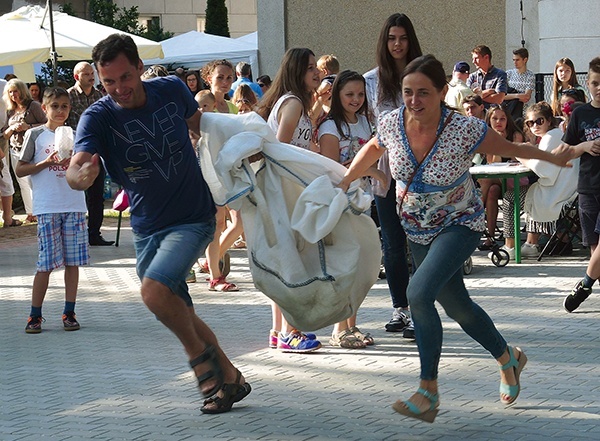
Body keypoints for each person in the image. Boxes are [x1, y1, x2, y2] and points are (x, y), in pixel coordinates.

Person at [338, 54, 575, 422]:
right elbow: (373, 148)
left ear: (442, 92)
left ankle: (427, 391)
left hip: (459, 222)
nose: (413, 101)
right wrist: (344, 177)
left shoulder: (464, 128)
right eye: (407, 93)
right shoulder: (390, 123)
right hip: (415, 226)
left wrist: (556, 157)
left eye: (423, 93)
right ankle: (508, 357)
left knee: (418, 293)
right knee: (456, 306)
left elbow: (514, 149)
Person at [66, 34, 251, 414]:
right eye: (108, 82)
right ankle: (231, 379)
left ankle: (199, 360)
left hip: (193, 217)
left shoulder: (169, 90)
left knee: (153, 293)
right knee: (176, 307)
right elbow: (77, 164)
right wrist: (77, 175)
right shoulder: (98, 116)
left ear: (138, 68)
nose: (119, 88)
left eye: (125, 77)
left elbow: (205, 127)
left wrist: (243, 151)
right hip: (147, 227)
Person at [256, 47, 323, 352]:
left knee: (284, 260)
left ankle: (277, 329)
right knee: (292, 262)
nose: (317, 72)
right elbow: (280, 149)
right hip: (284, 191)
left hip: (283, 190)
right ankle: (290, 332)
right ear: (297, 71)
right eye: (310, 68)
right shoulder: (294, 103)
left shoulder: (294, 103)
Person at [363, 13, 421, 338]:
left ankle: (420, 309)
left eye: (402, 38)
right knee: (393, 244)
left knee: (419, 241)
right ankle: (401, 308)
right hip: (385, 170)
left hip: (420, 169)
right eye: (391, 39)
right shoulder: (372, 80)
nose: (397, 44)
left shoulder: (421, 74)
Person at [15, 87, 88, 333]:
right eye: (54, 105)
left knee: (73, 262)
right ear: (44, 108)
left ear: (69, 109)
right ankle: (35, 315)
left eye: (64, 106)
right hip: (47, 206)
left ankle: (69, 312)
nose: (60, 110)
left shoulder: (76, 134)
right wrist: (47, 162)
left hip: (74, 204)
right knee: (45, 263)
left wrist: (78, 167)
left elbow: (87, 169)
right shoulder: (36, 135)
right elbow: (20, 169)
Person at [318, 70, 376, 349]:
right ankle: (339, 329)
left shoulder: (365, 122)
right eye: (349, 94)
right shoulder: (330, 128)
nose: (355, 99)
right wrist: (365, 167)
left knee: (360, 266)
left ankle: (351, 325)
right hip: (342, 203)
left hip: (363, 201)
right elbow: (332, 170)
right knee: (345, 265)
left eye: (360, 94)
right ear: (337, 95)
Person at [559, 57, 600, 312]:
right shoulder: (581, 113)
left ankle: (585, 284)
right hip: (588, 187)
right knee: (595, 247)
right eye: (595, 83)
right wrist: (583, 146)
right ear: (588, 83)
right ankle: (589, 280)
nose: (599, 88)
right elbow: (563, 152)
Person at [517, 102, 579, 257]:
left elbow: (540, 168)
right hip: (570, 189)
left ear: (549, 120)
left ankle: (518, 244)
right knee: (532, 192)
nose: (535, 126)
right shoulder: (555, 134)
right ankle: (557, 239)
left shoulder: (551, 136)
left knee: (511, 198)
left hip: (561, 191)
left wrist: (520, 155)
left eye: (539, 121)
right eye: (530, 123)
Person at [197, 59, 239, 291]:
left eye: (229, 77)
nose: (225, 82)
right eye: (220, 77)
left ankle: (210, 260)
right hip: (209, 174)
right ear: (209, 78)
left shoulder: (232, 108)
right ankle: (216, 276)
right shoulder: (200, 105)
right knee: (217, 224)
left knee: (239, 223)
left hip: (231, 173)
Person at [67, 61, 114, 246]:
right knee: (76, 195)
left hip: (96, 151)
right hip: (74, 152)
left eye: (92, 73)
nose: (91, 76)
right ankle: (74, 233)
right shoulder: (68, 96)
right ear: (76, 76)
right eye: (86, 74)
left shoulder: (99, 96)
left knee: (96, 195)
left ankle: (94, 233)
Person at [479, 104, 525, 256]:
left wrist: (501, 141)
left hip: (515, 180)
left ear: (508, 120)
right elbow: (494, 164)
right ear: (489, 120)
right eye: (494, 118)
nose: (499, 122)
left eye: (502, 119)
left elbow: (517, 160)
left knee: (485, 182)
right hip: (497, 181)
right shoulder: (486, 136)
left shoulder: (515, 135)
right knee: (491, 190)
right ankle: (490, 237)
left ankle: (476, 214)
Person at [1, 78, 47, 224]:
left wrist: (29, 126)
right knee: (22, 183)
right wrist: (11, 128)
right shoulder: (10, 110)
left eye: (16, 91)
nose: (14, 95)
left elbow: (47, 124)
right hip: (15, 149)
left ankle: (40, 211)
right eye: (10, 92)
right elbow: (4, 134)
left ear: (22, 90)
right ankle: (31, 212)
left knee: (33, 181)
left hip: (33, 149)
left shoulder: (33, 105)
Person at [0, 78, 21, 228]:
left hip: (2, 134)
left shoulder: (3, 84)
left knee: (4, 177)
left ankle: (7, 217)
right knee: (5, 177)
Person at [503, 48, 535, 120]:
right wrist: (517, 95)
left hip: (524, 112)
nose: (515, 62)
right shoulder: (508, 74)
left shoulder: (530, 75)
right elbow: (501, 95)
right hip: (509, 110)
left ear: (525, 60)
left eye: (517, 60)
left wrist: (510, 96)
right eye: (514, 60)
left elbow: (526, 97)